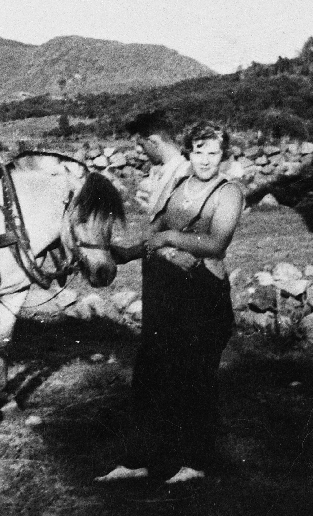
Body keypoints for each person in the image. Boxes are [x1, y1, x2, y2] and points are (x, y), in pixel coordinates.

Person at [96, 116, 244, 485]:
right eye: (199, 151)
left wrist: (170, 239)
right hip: (166, 294)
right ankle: (137, 461)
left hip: (204, 296)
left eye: (213, 152)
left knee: (194, 379)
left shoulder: (229, 193)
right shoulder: (180, 185)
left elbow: (216, 244)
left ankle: (193, 464)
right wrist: (125, 253)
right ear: (189, 153)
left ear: (223, 155)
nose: (206, 160)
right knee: (149, 374)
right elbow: (156, 232)